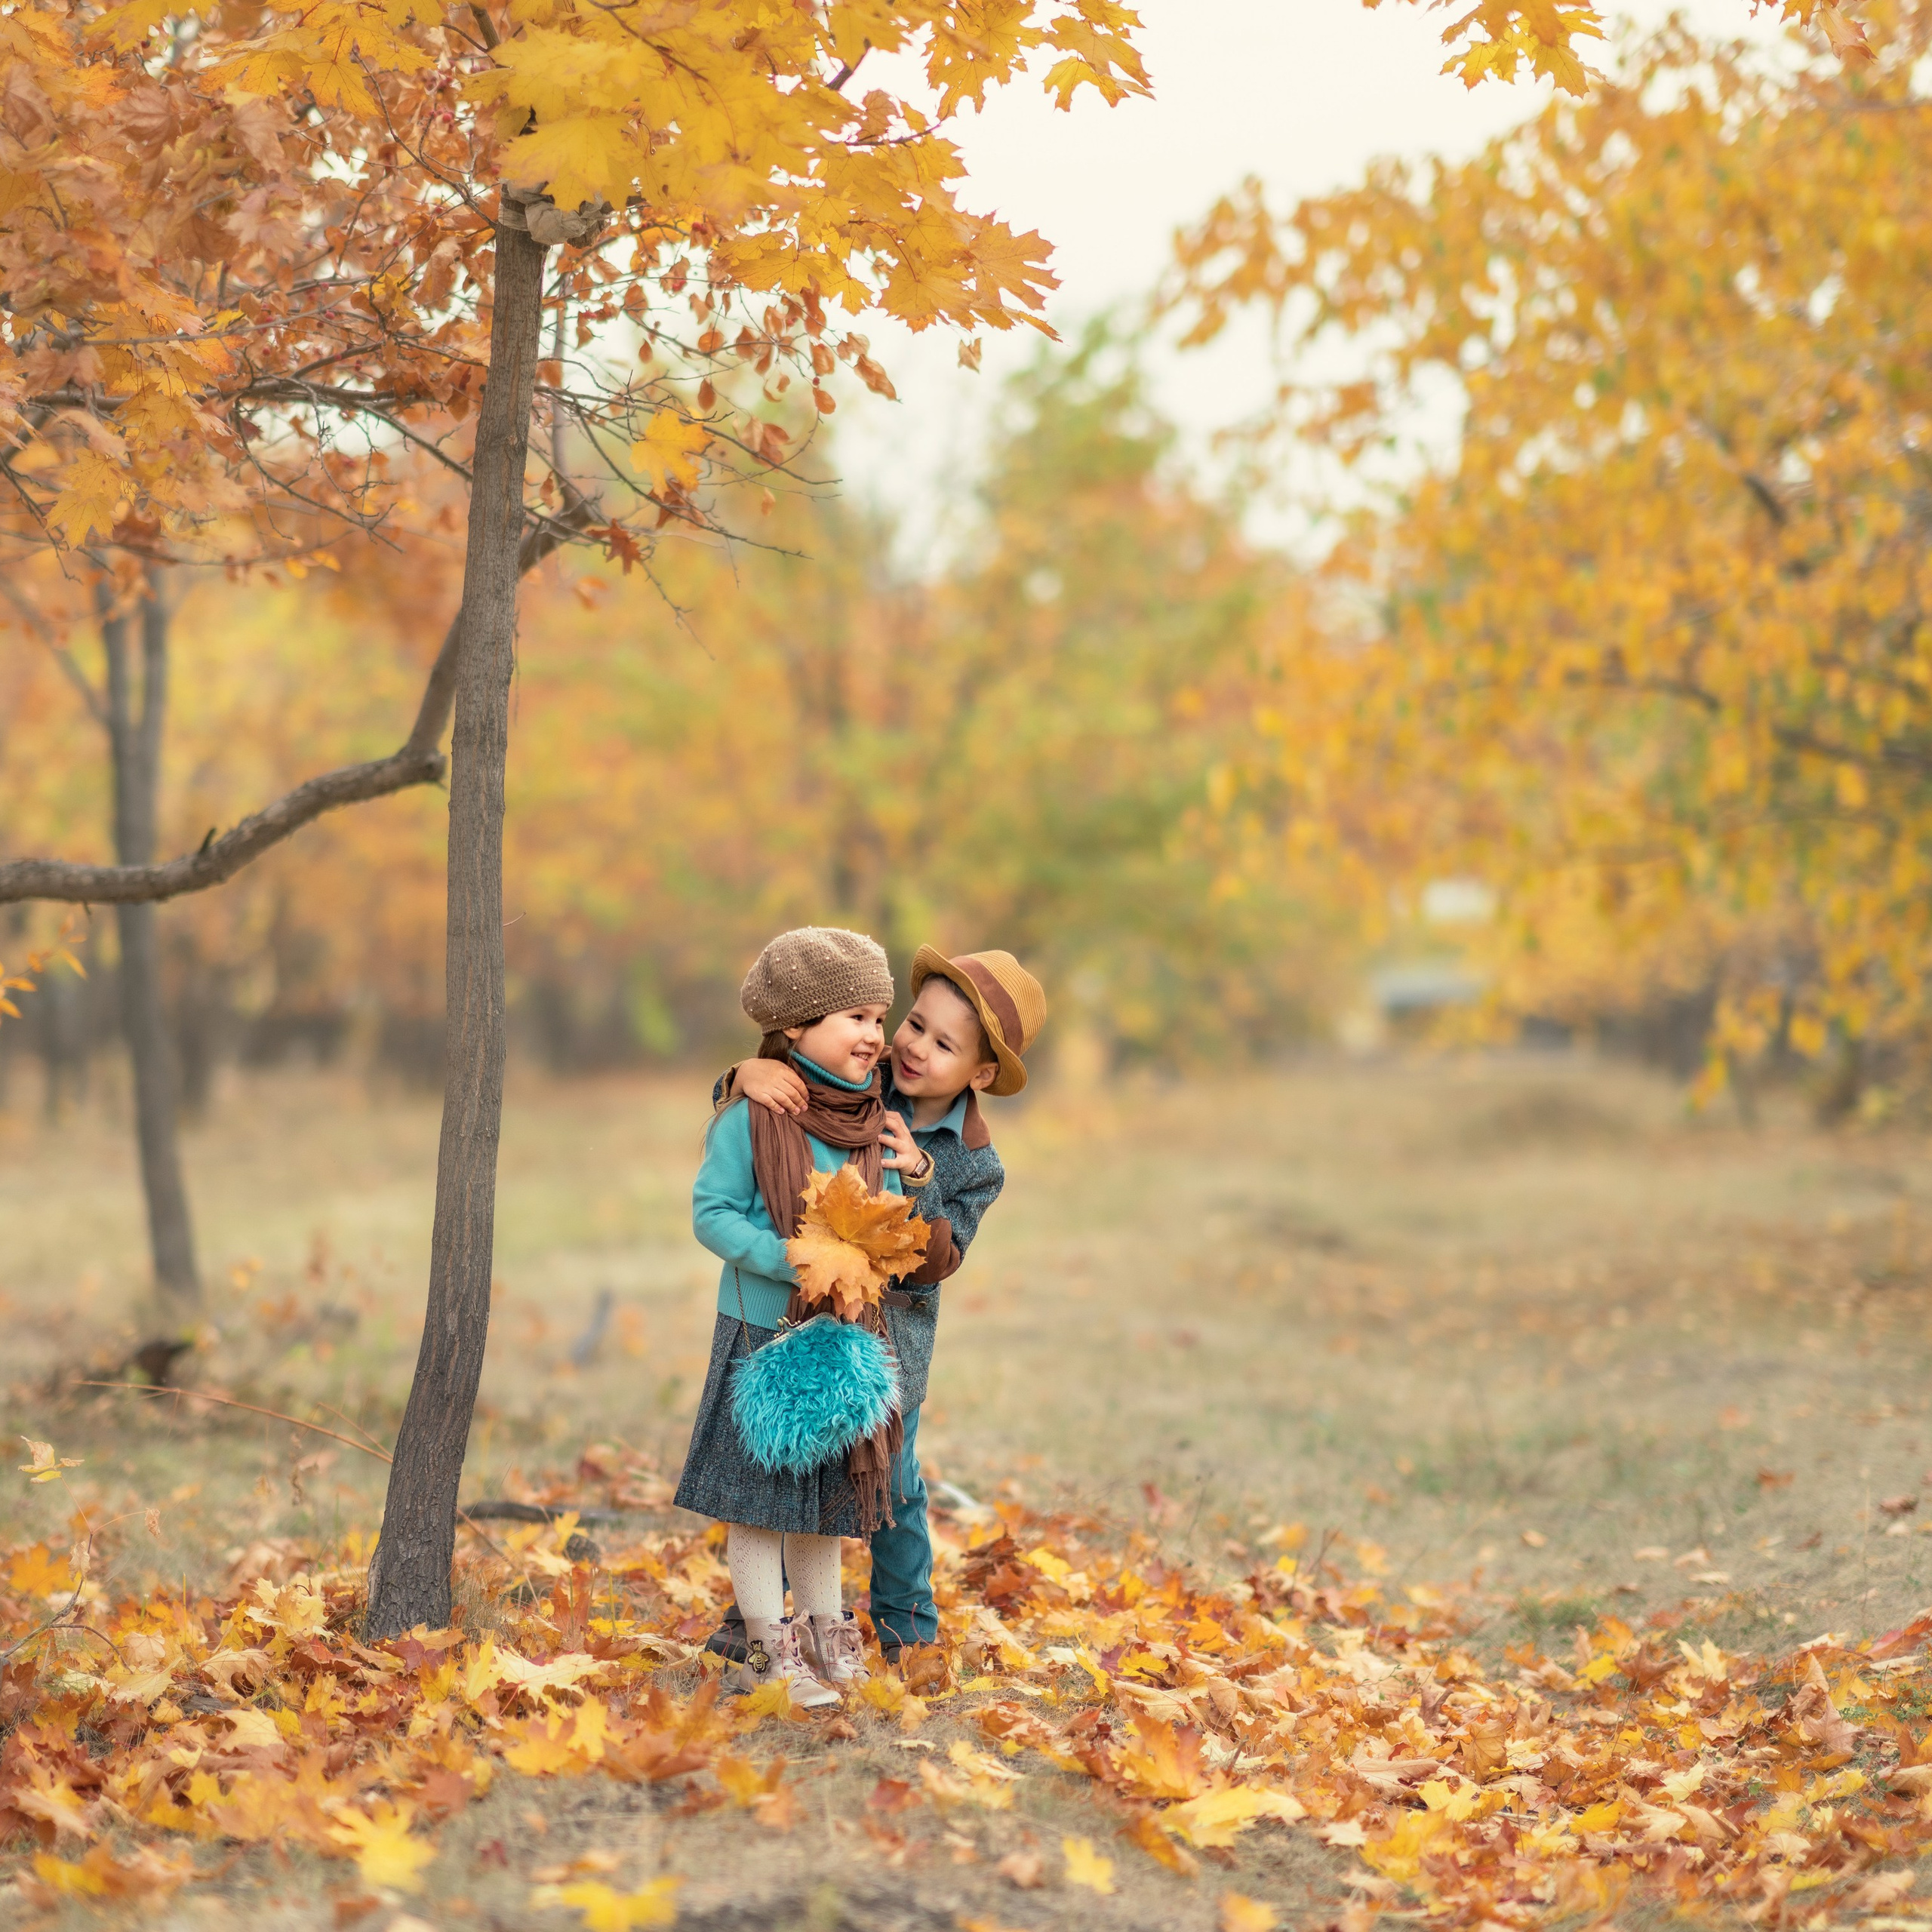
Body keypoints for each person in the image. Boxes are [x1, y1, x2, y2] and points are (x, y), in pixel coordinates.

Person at [702, 946, 1047, 1667]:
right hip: (809, 1318)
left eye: (944, 1044)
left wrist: (919, 1176)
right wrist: (742, 1075)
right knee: (792, 1459)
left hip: (894, 1343)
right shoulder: (866, 1075)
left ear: (981, 1074)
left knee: (893, 1481)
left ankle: (906, 1628)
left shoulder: (975, 1163)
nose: (914, 1047)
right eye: (914, 1025)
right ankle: (755, 1625)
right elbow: (788, 1087)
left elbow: (937, 1265)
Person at [674, 926, 920, 1708]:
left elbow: (889, 1208)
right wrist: (791, 1260)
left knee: (820, 1500)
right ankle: (766, 1647)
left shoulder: (871, 1114)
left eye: (879, 1018)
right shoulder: (751, 1115)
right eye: (854, 1017)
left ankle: (824, 1635)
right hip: (762, 1330)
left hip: (844, 1332)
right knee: (758, 1500)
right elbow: (711, 1213)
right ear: (795, 1026)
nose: (874, 1035)